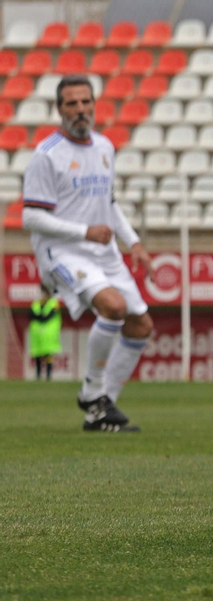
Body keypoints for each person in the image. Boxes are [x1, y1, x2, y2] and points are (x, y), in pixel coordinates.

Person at [22, 75, 153, 432]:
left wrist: (135, 242)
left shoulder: (105, 147)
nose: (80, 110)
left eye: (85, 102)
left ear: (95, 104)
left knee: (141, 326)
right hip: (63, 251)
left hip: (103, 250)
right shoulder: (46, 156)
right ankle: (92, 392)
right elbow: (30, 215)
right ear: (59, 109)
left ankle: (99, 409)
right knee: (113, 307)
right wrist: (85, 232)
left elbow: (108, 204)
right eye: (71, 103)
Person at [29, 289, 63, 381]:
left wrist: (41, 317)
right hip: (37, 334)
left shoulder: (53, 303)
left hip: (49, 334)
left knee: (49, 353)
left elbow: (49, 316)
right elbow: (31, 315)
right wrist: (40, 317)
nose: (44, 294)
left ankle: (48, 375)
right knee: (37, 353)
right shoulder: (36, 304)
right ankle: (38, 374)